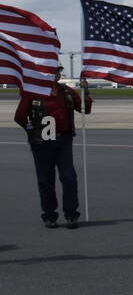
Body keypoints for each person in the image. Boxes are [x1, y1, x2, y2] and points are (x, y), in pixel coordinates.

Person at [14, 70, 90, 228]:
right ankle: (49, 215)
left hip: (63, 140)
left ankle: (71, 214)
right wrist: (32, 131)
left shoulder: (67, 92)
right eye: (51, 72)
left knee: (69, 177)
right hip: (42, 143)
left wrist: (86, 91)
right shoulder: (33, 93)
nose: (55, 75)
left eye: (57, 72)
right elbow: (20, 117)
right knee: (45, 180)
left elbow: (85, 108)